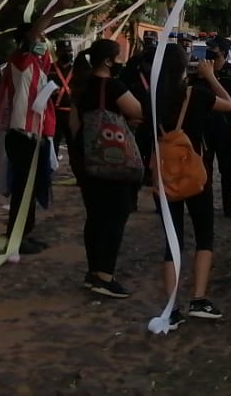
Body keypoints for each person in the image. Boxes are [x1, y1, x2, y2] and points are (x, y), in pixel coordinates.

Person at [157, 44, 231, 327]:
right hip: (194, 175)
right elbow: (229, 104)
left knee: (172, 240)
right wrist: (211, 76)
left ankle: (171, 307)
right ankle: (199, 299)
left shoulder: (153, 98)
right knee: (204, 235)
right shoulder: (197, 94)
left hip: (164, 175)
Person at [69, 39, 144, 298]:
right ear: (109, 61)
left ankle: (94, 271)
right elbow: (137, 110)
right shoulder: (112, 86)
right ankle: (105, 275)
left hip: (86, 159)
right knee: (116, 215)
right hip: (112, 161)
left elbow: (74, 126)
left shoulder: (81, 85)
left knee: (95, 215)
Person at [0, 22, 57, 255]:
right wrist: (56, 10)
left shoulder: (37, 65)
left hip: (36, 135)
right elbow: (32, 35)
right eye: (39, 37)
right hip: (22, 136)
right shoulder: (19, 61)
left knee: (31, 188)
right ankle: (15, 236)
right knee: (23, 189)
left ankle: (25, 232)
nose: (42, 41)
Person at [202, 36, 231, 217]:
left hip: (227, 126)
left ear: (222, 51)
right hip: (205, 125)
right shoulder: (202, 72)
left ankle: (229, 205)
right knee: (205, 168)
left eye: (214, 48)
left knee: (227, 167)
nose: (210, 51)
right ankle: (205, 204)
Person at [49, 40, 74, 151]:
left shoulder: (78, 70)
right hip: (54, 113)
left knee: (73, 146)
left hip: (72, 113)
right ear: (57, 52)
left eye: (69, 51)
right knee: (53, 145)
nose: (67, 54)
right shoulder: (49, 69)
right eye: (64, 51)